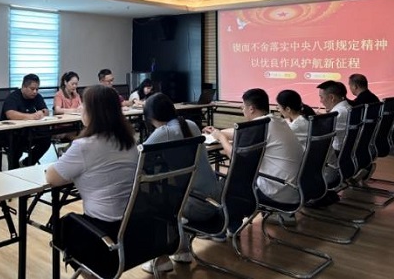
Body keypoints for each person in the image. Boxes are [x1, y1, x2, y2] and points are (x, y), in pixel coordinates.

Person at [46, 85, 138, 274]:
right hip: (133, 230)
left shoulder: (84, 146)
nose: (80, 108)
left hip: (102, 235)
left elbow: (52, 178)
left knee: (60, 227)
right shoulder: (129, 141)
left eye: (84, 105)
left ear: (94, 112)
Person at [140, 93, 221, 274]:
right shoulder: (190, 124)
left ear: (151, 117)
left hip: (198, 205)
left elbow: (140, 159)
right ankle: (182, 251)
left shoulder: (164, 132)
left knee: (150, 199)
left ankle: (160, 259)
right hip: (214, 198)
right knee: (171, 190)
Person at [204, 88, 303, 228]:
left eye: (243, 106)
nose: (242, 109)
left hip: (278, 192)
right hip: (294, 190)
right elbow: (238, 132)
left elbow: (236, 159)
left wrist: (221, 138)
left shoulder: (259, 127)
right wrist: (217, 132)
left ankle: (224, 227)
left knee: (232, 181)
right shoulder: (274, 121)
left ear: (251, 109)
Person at [2, 74, 51, 167]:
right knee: (16, 146)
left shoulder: (37, 97)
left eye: (37, 89)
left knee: (46, 140)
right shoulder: (13, 97)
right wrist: (31, 116)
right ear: (24, 87)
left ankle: (26, 163)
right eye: (32, 89)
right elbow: (10, 114)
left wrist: (42, 112)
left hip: (30, 132)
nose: (35, 92)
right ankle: (14, 170)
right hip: (13, 134)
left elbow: (46, 111)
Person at [317, 80, 352, 152]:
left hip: (337, 153)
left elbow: (320, 133)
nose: (320, 101)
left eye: (321, 97)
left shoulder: (337, 114)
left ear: (332, 97)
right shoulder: (348, 108)